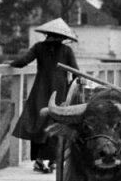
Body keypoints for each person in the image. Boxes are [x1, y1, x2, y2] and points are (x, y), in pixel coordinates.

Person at [9, 18, 79, 173]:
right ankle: (53, 160)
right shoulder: (66, 51)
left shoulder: (39, 47)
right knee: (56, 120)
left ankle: (40, 160)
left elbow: (23, 61)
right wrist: (73, 91)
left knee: (38, 121)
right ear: (61, 37)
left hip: (41, 89)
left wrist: (10, 64)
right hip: (59, 90)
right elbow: (75, 71)